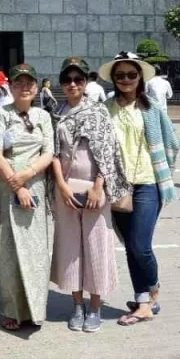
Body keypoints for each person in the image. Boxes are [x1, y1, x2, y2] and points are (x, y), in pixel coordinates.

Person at [49, 58, 130, 334]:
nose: (73, 84)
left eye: (78, 79)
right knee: (71, 248)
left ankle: (95, 306)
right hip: (67, 190)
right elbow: (54, 155)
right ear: (61, 83)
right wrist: (60, 185)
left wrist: (99, 186)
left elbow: (107, 152)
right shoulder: (56, 114)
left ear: (86, 83)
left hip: (94, 190)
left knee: (97, 247)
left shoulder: (98, 112)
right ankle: (77, 305)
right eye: (68, 80)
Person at [102, 51, 180, 326]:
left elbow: (172, 141)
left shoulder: (151, 107)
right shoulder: (105, 107)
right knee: (130, 247)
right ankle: (144, 301)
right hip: (117, 186)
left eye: (131, 74)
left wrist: (163, 169)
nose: (125, 79)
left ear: (140, 78)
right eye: (120, 75)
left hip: (148, 182)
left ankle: (152, 288)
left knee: (140, 245)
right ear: (113, 78)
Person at [0, 63, 55, 331]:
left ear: (37, 87)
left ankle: (34, 309)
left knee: (37, 250)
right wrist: (17, 186)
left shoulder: (43, 116)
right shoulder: (2, 114)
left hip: (35, 186)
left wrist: (27, 176)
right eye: (18, 83)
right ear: (10, 86)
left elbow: (49, 152)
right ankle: (12, 310)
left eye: (29, 83)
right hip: (9, 187)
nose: (24, 87)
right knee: (8, 252)